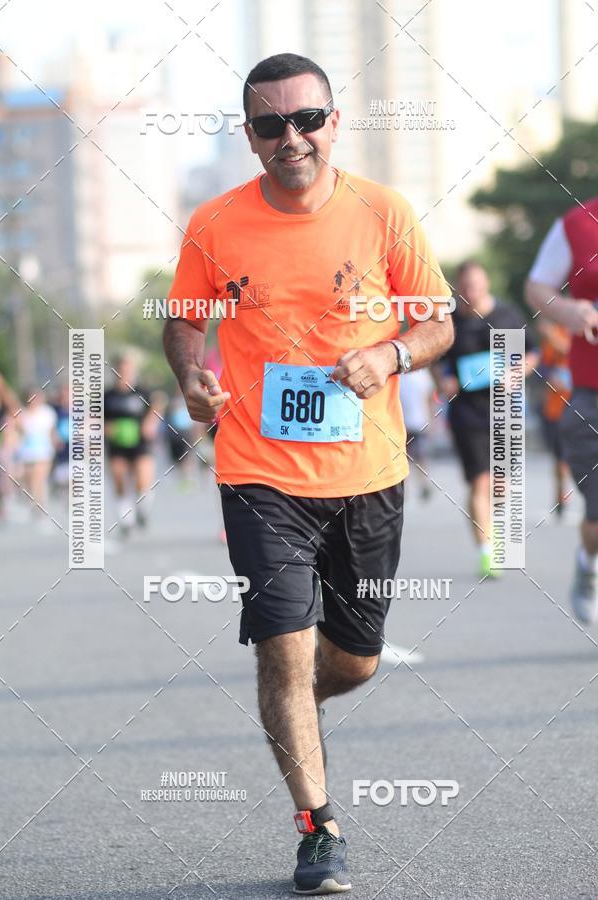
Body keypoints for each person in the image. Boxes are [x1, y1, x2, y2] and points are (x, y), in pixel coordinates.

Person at [163, 53, 454, 895]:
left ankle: (292, 711)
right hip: (259, 471)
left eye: (306, 120)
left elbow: (435, 323)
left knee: (353, 663)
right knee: (283, 651)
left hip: (367, 473)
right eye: (269, 125)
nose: (291, 138)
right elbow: (185, 322)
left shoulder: (385, 212)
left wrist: (389, 354)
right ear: (250, 138)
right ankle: (317, 828)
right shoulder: (215, 223)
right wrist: (191, 376)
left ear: (334, 121)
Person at [434, 261, 537, 578]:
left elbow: (532, 352)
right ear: (457, 287)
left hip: (505, 409)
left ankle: (494, 527)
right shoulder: (450, 321)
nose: (470, 292)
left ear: (486, 283)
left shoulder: (507, 316)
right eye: (464, 287)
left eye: (476, 286)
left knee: (499, 484)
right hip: (467, 413)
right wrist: (443, 383)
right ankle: (486, 552)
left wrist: (516, 372)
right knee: (480, 480)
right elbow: (435, 360)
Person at [526, 201, 598, 624]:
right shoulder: (576, 223)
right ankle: (589, 565)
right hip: (591, 393)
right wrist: (570, 311)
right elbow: (538, 286)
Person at [104, 353, 160, 537]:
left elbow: (158, 405)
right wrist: (106, 428)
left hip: (140, 442)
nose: (125, 373)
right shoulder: (108, 396)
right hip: (117, 444)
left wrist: (150, 423)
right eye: (121, 369)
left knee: (142, 480)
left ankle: (143, 509)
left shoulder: (142, 392)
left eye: (128, 369)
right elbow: (96, 418)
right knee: (119, 478)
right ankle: (126, 519)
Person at [536, 321, 572, 518]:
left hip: (577, 406)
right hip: (554, 409)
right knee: (559, 458)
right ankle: (560, 494)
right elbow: (542, 367)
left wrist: (551, 335)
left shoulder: (577, 331)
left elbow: (569, 350)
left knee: (574, 456)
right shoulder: (549, 339)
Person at [17, 388, 57, 527]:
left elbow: (52, 431)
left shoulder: (47, 413)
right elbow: (19, 432)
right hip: (27, 452)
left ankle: (40, 506)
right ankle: (36, 502)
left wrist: (55, 442)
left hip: (44, 451)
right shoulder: (23, 414)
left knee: (38, 477)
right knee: (29, 479)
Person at [399, 366, 435, 501]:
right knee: (405, 457)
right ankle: (404, 488)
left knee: (420, 457)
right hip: (403, 423)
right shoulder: (399, 376)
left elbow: (429, 398)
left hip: (419, 422)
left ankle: (423, 484)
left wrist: (431, 420)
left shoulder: (422, 374)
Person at [0, 370, 20, 523]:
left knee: (2, 477)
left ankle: (3, 506)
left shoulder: (6, 400)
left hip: (2, 445)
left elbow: (18, 417)